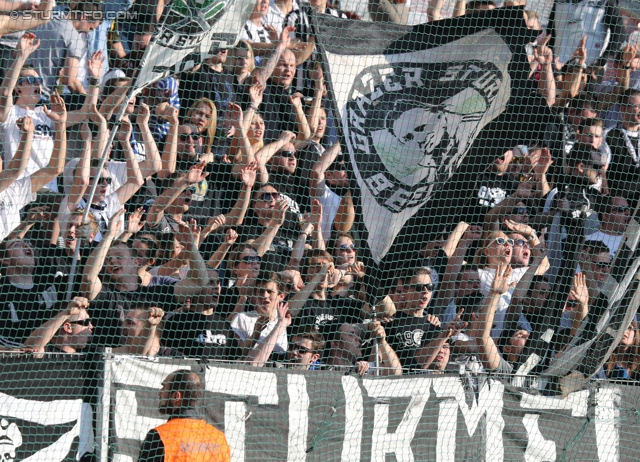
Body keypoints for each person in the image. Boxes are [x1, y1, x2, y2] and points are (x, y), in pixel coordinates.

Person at [138, 370, 231, 462]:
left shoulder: (160, 435)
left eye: (164, 387)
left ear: (176, 396)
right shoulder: (219, 438)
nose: (160, 393)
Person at [23, 297, 92, 355]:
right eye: (86, 322)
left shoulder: (88, 355)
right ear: (68, 327)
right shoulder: (48, 354)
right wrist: (66, 313)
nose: (91, 326)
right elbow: (30, 346)